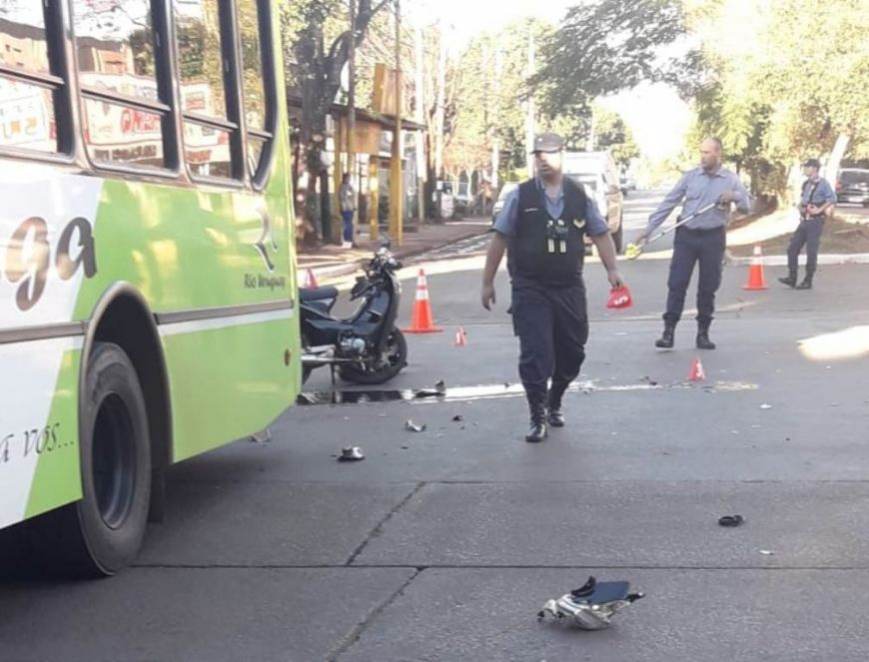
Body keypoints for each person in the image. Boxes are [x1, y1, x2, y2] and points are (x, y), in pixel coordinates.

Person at [480, 132, 625, 443]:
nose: (543, 161)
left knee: (572, 352)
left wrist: (612, 269)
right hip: (530, 286)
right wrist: (487, 282)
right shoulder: (520, 196)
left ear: (562, 155)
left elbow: (600, 234)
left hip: (568, 286)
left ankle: (554, 399)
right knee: (536, 353)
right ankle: (537, 415)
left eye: (549, 154)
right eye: (538, 156)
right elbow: (500, 238)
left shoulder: (578, 195)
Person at [637, 137, 750, 351]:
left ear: (718, 154)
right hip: (687, 235)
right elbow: (669, 202)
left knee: (708, 286)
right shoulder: (690, 177)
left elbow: (746, 207)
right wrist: (649, 229)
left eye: (707, 153)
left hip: (713, 237)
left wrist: (734, 196)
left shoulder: (730, 179)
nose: (702, 157)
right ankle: (668, 331)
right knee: (677, 283)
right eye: (701, 152)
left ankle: (703, 333)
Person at [779, 158, 836, 290]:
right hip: (804, 220)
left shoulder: (823, 183)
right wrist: (800, 207)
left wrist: (819, 210)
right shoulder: (806, 184)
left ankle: (808, 280)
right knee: (792, 248)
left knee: (811, 251)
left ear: (814, 169)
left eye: (807, 167)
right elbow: (803, 199)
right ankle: (792, 277)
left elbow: (832, 198)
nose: (805, 169)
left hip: (815, 222)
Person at [339, 173, 356, 249]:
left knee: (349, 225)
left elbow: (351, 197)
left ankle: (349, 241)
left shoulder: (348, 186)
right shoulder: (344, 187)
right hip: (346, 208)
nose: (349, 179)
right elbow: (345, 198)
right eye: (348, 178)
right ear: (345, 178)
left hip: (349, 208)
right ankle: (347, 242)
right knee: (347, 225)